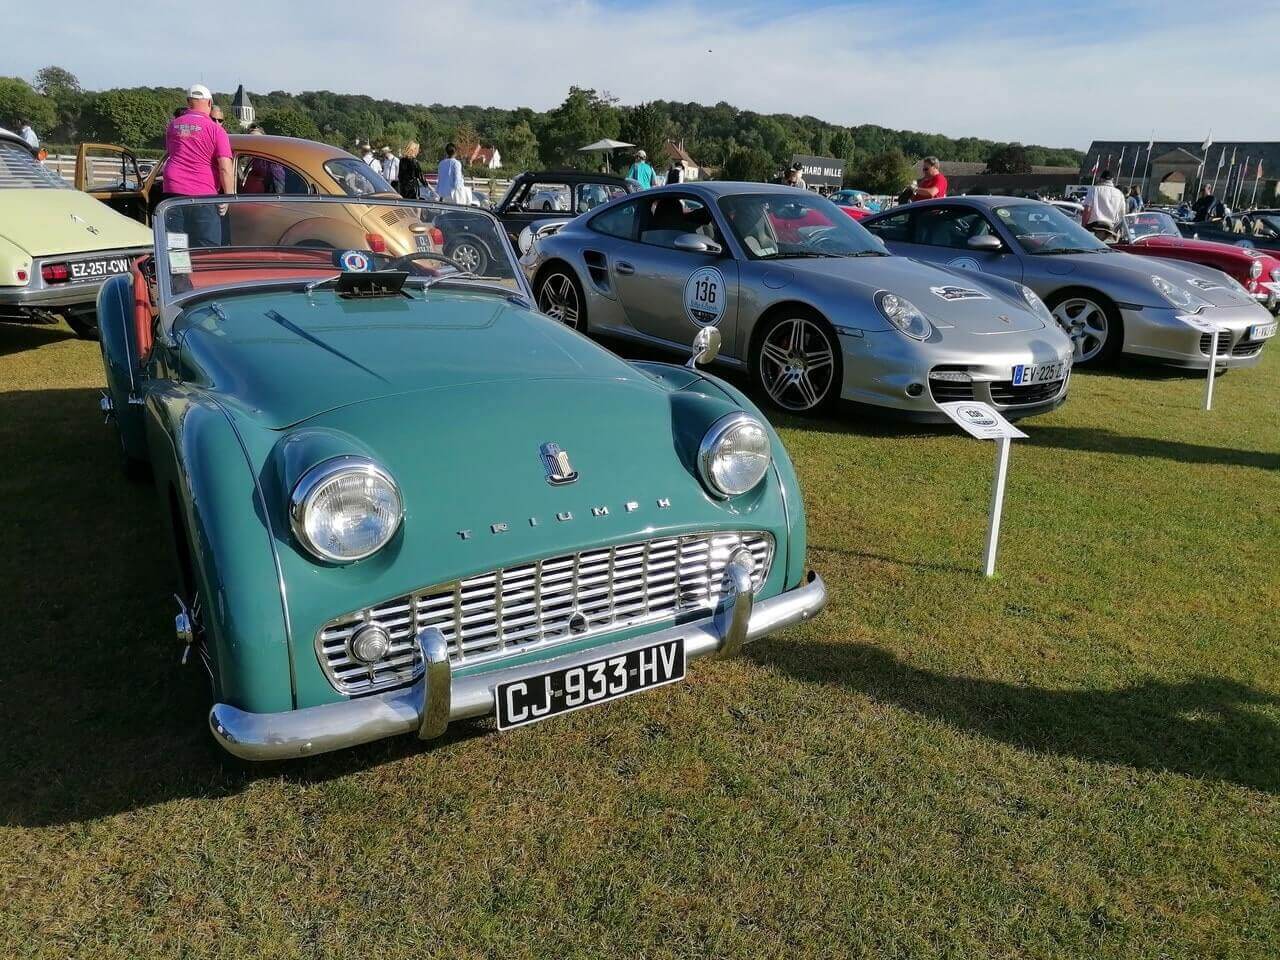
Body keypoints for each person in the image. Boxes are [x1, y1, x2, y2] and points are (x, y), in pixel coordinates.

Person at [161, 83, 234, 247]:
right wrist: (228, 197)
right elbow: (225, 167)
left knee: (176, 245)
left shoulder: (173, 126)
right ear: (209, 103)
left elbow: (171, 152)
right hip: (203, 194)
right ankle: (204, 272)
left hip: (173, 192)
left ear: (188, 102)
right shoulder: (216, 130)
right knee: (206, 246)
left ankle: (180, 272)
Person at [240, 125, 286, 194]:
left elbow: (278, 185)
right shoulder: (256, 159)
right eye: (251, 140)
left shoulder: (271, 160)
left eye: (258, 140)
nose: (254, 143)